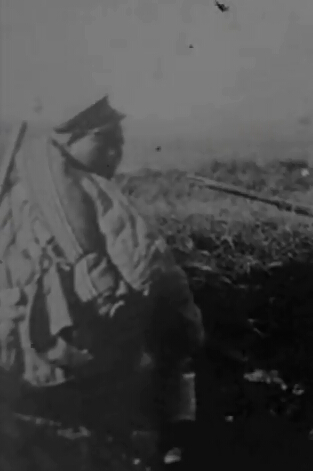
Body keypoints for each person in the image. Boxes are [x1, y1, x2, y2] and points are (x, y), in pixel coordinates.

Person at [0, 95, 205, 469]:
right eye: (106, 140)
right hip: (84, 365)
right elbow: (156, 278)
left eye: (119, 142)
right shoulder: (100, 196)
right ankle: (173, 445)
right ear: (70, 141)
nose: (116, 152)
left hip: (17, 373)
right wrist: (187, 335)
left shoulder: (11, 198)